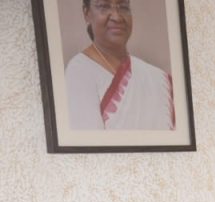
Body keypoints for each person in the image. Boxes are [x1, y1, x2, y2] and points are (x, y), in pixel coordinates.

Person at [65, 1, 175, 130]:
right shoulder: (79, 71)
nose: (117, 17)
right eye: (104, 7)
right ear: (87, 13)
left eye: (123, 7)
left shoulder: (156, 78)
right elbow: (90, 143)